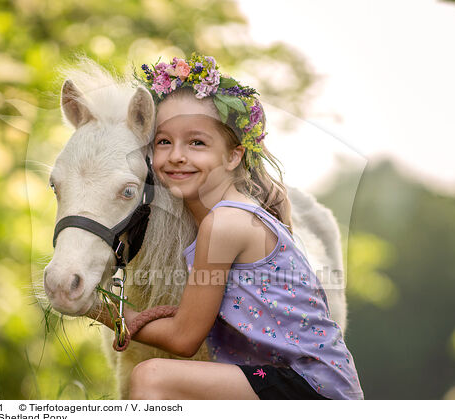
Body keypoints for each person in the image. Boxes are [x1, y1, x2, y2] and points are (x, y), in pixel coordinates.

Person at [95, 53, 363, 400]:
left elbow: (183, 338)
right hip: (287, 379)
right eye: (164, 141)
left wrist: (105, 312)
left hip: (309, 387)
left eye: (197, 142)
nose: (176, 155)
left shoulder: (225, 222)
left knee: (153, 376)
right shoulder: (227, 216)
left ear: (234, 156)